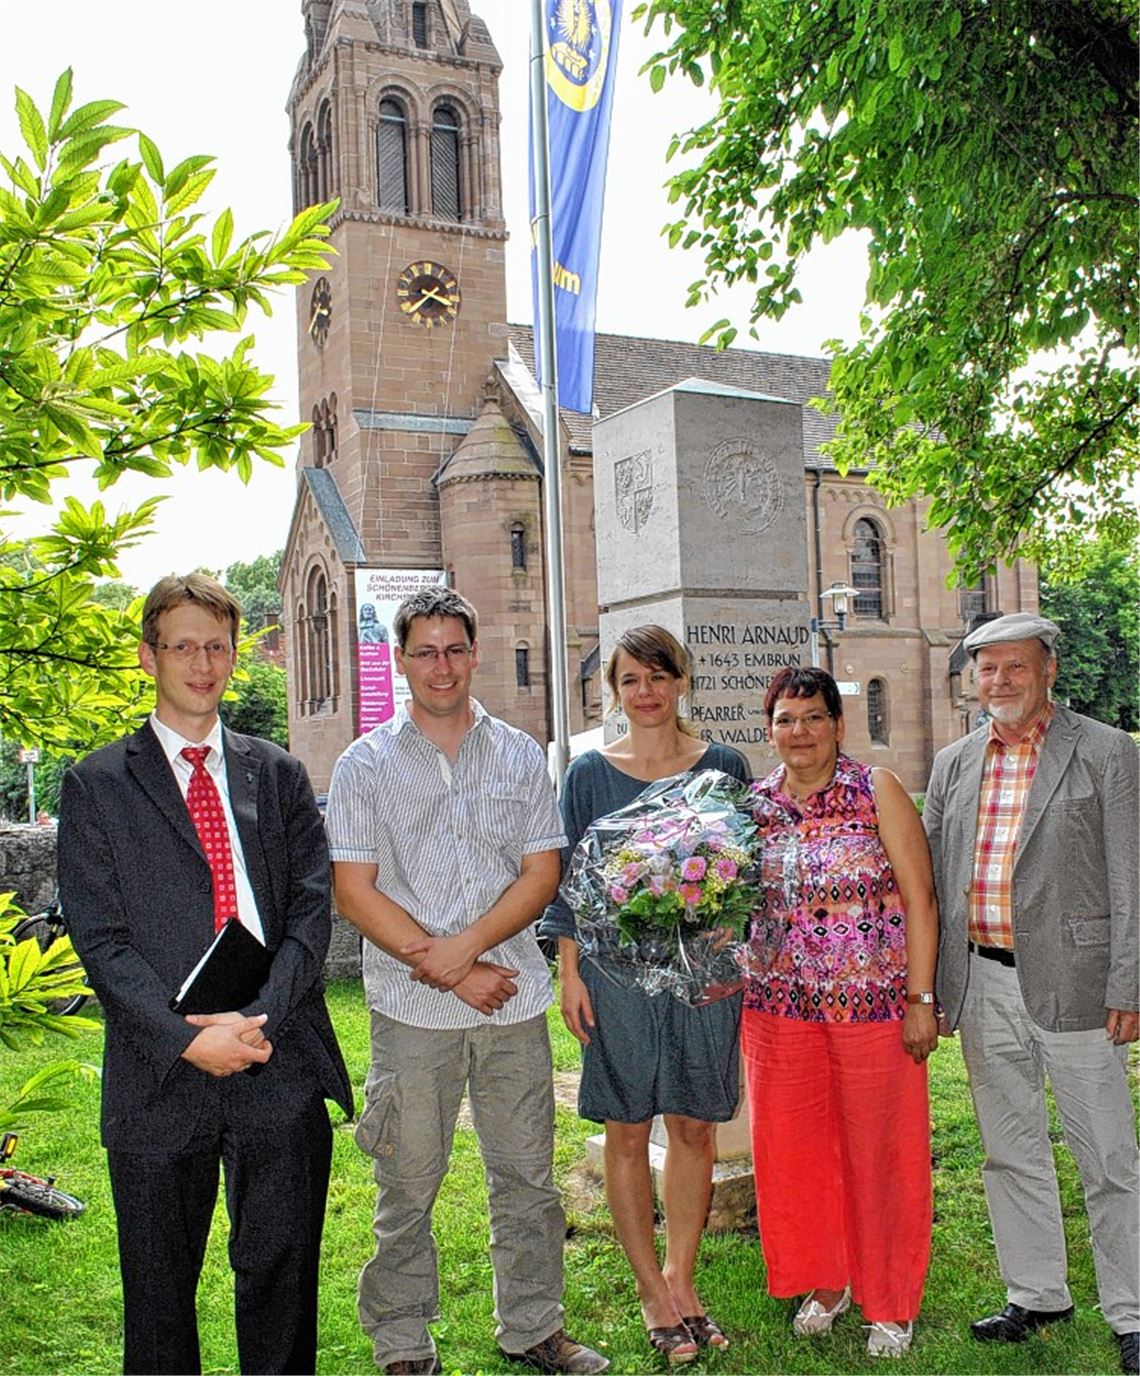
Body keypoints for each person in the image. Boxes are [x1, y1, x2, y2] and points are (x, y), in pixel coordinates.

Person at [56, 573, 352, 1376]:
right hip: (160, 1071)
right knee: (158, 1297)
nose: (202, 662)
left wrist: (257, 1020)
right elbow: (100, 937)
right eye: (182, 646)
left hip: (276, 1055)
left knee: (282, 1283)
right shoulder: (95, 785)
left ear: (234, 658)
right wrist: (184, 1040)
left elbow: (309, 912)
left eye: (216, 646)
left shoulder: (278, 773)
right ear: (150, 656)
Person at [325, 587, 608, 1376]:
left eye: (454, 649)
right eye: (424, 651)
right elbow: (355, 889)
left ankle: (532, 1327)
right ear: (401, 658)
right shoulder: (364, 764)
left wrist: (470, 953)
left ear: (474, 653)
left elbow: (540, 871)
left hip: (509, 999)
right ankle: (403, 1341)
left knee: (526, 1178)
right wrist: (444, 968)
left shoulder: (519, 754)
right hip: (410, 1013)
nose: (440, 666)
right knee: (407, 1183)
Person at [924, 611, 1139, 1374]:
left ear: (1048, 669)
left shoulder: (1107, 751)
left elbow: (1132, 872)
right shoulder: (953, 762)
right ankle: (1038, 1292)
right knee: (1008, 1150)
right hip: (982, 982)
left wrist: (1130, 979)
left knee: (1109, 1155)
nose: (1000, 683)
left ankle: (1133, 1311)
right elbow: (932, 880)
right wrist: (933, 986)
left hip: (1079, 984)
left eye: (1015, 668)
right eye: (986, 670)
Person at [540, 625, 749, 1365]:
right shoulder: (589, 774)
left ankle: (683, 1281)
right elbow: (567, 880)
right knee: (629, 1129)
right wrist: (570, 975)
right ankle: (649, 1293)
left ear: (682, 681)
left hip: (705, 981)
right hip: (614, 978)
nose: (648, 692)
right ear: (615, 691)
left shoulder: (723, 767)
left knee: (694, 1127)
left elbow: (743, 873)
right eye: (632, 679)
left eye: (660, 676)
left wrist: (727, 932)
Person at [741, 665, 938, 1359]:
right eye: (786, 720)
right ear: (770, 731)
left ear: (837, 725)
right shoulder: (753, 806)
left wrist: (920, 1000)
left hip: (874, 1007)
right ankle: (825, 1280)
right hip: (778, 1009)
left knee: (881, 1150)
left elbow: (921, 899)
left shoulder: (874, 789)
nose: (800, 733)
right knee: (793, 1152)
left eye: (813, 718)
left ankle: (889, 1298)